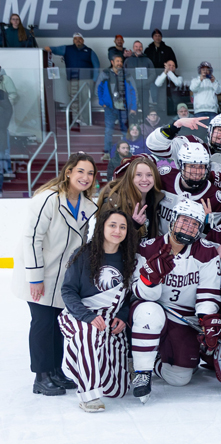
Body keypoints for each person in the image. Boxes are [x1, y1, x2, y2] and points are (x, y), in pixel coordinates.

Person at [129, 199, 221, 400]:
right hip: (154, 308)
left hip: (184, 318)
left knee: (180, 378)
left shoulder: (207, 252)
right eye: (184, 221)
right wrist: (150, 281)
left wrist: (207, 319)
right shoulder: (148, 248)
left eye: (195, 224)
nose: (189, 227)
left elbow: (207, 292)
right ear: (173, 221)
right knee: (149, 310)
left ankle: (158, 359)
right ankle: (142, 371)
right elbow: (138, 292)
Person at [15, 153, 97, 396]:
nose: (85, 177)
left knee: (56, 325)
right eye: (80, 171)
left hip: (62, 277)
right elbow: (32, 238)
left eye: (90, 173)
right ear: (69, 171)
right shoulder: (48, 199)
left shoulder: (86, 206)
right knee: (42, 323)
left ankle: (55, 371)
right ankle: (41, 376)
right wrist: (35, 277)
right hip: (40, 273)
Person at [59, 208, 138, 412]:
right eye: (112, 225)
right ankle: (88, 394)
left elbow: (131, 295)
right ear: (101, 226)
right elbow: (67, 291)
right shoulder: (83, 254)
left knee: (117, 390)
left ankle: (82, 362)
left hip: (110, 319)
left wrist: (122, 315)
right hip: (78, 316)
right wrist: (86, 317)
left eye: (122, 227)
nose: (117, 230)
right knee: (89, 333)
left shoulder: (129, 258)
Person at [147, 114, 221, 174]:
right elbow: (155, 145)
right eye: (220, 130)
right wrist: (175, 125)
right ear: (210, 132)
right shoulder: (192, 144)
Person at [98, 154, 163, 239]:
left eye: (149, 175)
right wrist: (133, 226)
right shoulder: (114, 202)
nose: (144, 179)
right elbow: (105, 240)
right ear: (130, 177)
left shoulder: (156, 199)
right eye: (138, 175)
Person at [45, 34, 100, 124]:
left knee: (85, 101)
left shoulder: (89, 51)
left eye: (79, 39)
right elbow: (51, 49)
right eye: (75, 39)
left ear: (83, 40)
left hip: (86, 80)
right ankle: (76, 120)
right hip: (72, 79)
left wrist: (94, 80)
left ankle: (86, 121)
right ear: (73, 40)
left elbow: (96, 66)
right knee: (74, 101)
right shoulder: (67, 49)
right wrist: (46, 50)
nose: (77, 40)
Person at [97, 55, 137, 161]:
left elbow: (134, 91)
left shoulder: (127, 74)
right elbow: (98, 88)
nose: (119, 63)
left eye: (120, 61)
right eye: (117, 61)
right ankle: (107, 153)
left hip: (124, 107)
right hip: (110, 108)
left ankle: (126, 153)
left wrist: (133, 107)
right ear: (112, 62)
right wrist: (102, 103)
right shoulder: (105, 73)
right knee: (109, 131)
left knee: (125, 131)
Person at [188, 62, 221, 134]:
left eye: (207, 69)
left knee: (212, 133)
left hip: (212, 111)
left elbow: (219, 91)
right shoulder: (195, 80)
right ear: (200, 70)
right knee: (199, 133)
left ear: (210, 71)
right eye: (203, 69)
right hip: (199, 111)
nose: (205, 71)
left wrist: (213, 82)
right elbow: (193, 88)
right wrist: (200, 79)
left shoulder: (213, 81)